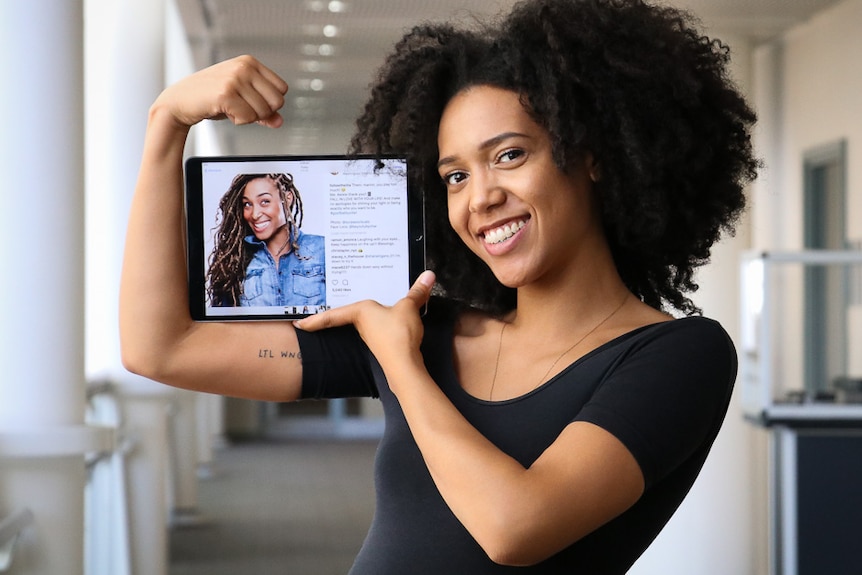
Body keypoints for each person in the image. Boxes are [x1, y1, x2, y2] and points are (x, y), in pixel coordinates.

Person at [120, 0, 758, 572]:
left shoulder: (678, 356)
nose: (482, 197)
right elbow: (160, 348)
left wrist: (398, 361)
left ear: (591, 155)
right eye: (455, 176)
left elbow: (514, 528)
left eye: (510, 155)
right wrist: (165, 126)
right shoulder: (429, 330)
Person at [207, 172, 326, 307]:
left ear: (287, 199)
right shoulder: (235, 262)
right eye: (247, 204)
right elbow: (222, 324)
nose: (255, 214)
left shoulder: (323, 249)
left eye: (264, 202)